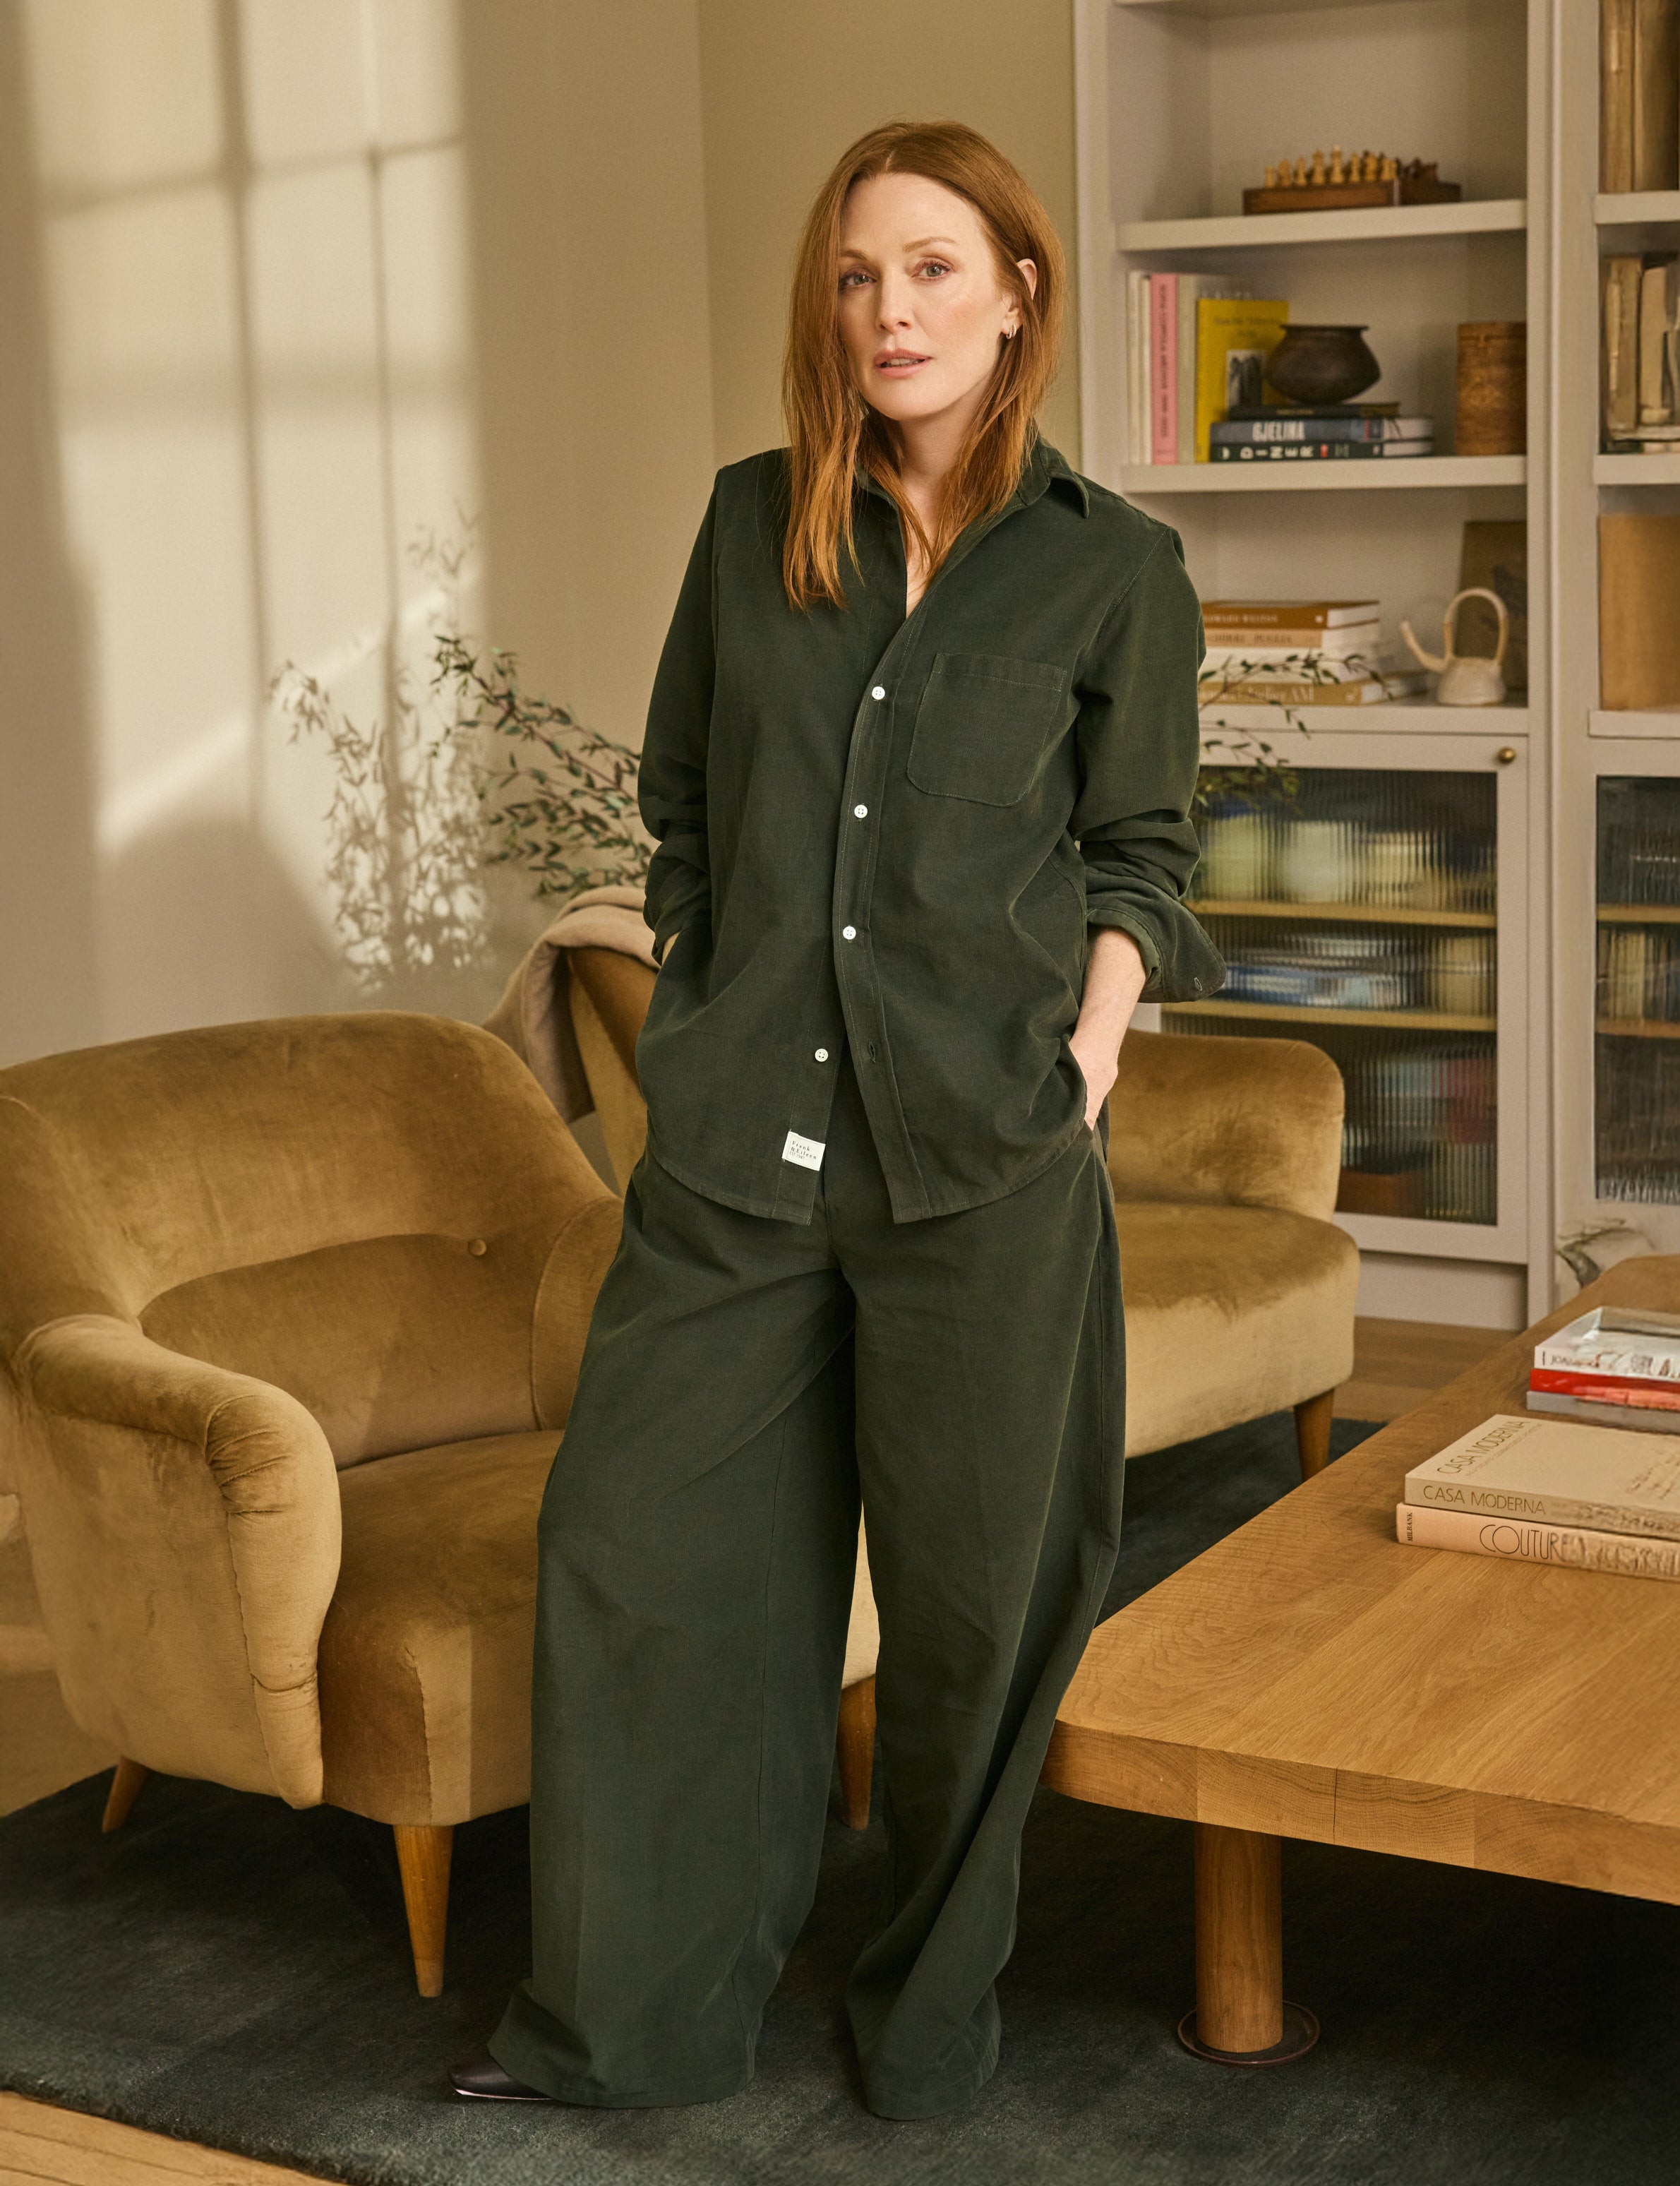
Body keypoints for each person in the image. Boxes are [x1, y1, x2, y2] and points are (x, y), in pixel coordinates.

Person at [450, 117, 1222, 2122]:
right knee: (644, 1567)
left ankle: (923, 2020)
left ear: (1016, 291)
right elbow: (683, 807)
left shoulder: (1113, 569)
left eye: (934, 268)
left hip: (984, 1157)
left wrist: (1087, 1054)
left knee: (979, 1612)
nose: (890, 310)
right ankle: (628, 2032)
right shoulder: (747, 524)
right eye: (860, 276)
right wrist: (705, 1009)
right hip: (734, 1161)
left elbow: (1141, 856)